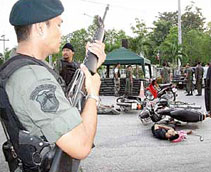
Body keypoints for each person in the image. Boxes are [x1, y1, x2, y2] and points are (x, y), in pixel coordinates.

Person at [4, 0, 106, 171]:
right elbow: (80, 145)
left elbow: (66, 104)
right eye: (58, 25)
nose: (61, 33)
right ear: (40, 28)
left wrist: (92, 68)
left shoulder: (21, 68)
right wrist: (93, 94)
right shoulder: (33, 77)